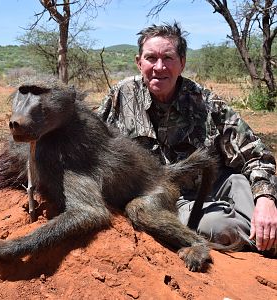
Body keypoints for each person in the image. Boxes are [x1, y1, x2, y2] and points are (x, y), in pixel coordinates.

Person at [97, 21, 277, 255]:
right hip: (163, 199)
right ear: (139, 62)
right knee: (216, 227)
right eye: (151, 58)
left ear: (182, 63)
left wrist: (265, 200)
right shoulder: (120, 97)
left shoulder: (206, 102)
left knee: (244, 185)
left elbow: (256, 156)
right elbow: (91, 142)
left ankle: (260, 225)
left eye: (168, 58)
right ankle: (258, 238)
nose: (159, 67)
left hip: (215, 187)